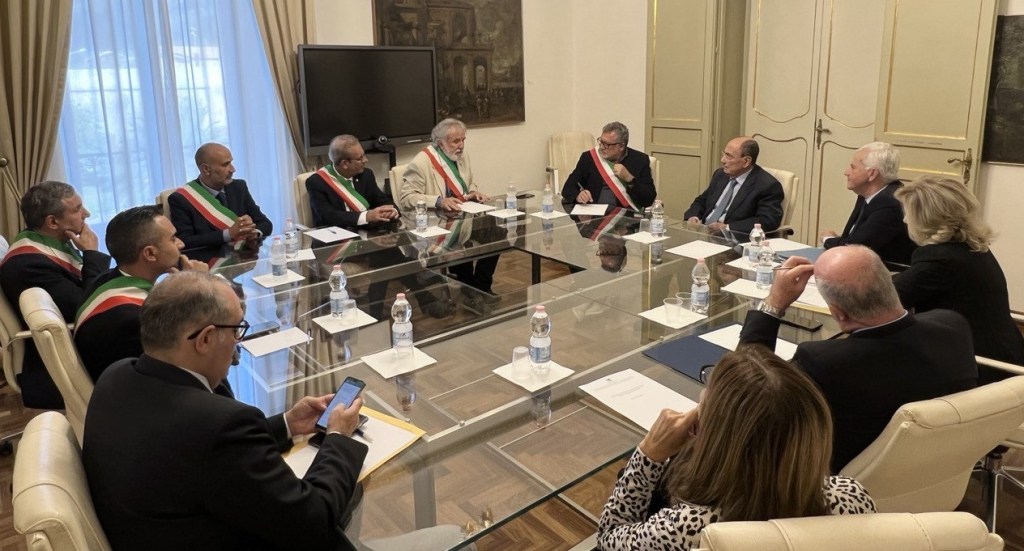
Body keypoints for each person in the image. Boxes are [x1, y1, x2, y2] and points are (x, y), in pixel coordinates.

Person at [83, 271, 367, 550]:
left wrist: (287, 423)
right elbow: (312, 522)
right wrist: (338, 436)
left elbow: (204, 455)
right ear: (205, 339)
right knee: (349, 488)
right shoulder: (219, 424)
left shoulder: (116, 376)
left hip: (154, 527)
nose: (237, 344)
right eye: (235, 330)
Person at [598, 346, 876, 550]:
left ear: (717, 439)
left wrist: (648, 453)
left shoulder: (689, 527)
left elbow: (609, 537)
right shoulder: (852, 498)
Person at [739, 245, 977, 472]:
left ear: (839, 314)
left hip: (843, 486)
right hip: (940, 470)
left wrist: (773, 304)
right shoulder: (953, 326)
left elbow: (745, 394)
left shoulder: (823, 363)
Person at [894, 176, 1024, 382]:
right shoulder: (973, 248)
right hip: (1007, 356)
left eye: (907, 213)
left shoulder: (939, 258)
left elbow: (885, 299)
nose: (905, 220)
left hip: (978, 367)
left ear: (926, 218)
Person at [308, 135, 450, 318]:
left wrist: (392, 210)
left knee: (386, 255)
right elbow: (328, 216)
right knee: (390, 256)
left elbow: (382, 200)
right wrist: (366, 216)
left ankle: (376, 314)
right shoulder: (317, 182)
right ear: (345, 163)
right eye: (360, 158)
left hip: (368, 239)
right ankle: (422, 297)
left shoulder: (365, 175)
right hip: (335, 243)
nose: (366, 160)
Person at [0, 181, 111, 408]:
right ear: (52, 222)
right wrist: (91, 254)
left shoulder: (48, 242)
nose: (86, 214)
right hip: (62, 360)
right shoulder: (29, 264)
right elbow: (88, 307)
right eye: (77, 209)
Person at [74, 205, 208, 381]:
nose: (181, 243)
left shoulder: (104, 280)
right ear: (150, 253)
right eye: (173, 239)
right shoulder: (136, 320)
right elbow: (198, 359)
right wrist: (201, 286)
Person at [398, 119, 499, 304]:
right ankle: (470, 289)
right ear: (440, 142)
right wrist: (438, 201)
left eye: (463, 140)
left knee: (497, 234)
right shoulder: (421, 162)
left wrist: (473, 192)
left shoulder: (461, 156)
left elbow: (468, 183)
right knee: (456, 243)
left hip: (461, 216)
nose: (461, 146)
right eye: (456, 141)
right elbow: (406, 198)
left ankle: (481, 287)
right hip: (435, 223)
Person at [819, 142, 917, 266]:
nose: (846, 172)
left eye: (853, 167)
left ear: (872, 174)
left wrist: (828, 239)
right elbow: (853, 240)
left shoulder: (890, 204)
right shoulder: (867, 194)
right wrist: (839, 241)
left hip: (890, 271)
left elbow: (854, 249)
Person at [168, 142, 273, 250]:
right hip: (209, 258)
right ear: (206, 169)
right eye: (225, 165)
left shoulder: (239, 187)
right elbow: (185, 241)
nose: (232, 169)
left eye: (231, 163)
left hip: (244, 256)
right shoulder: (182, 199)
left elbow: (265, 223)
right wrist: (228, 234)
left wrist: (254, 233)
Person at [684, 137, 784, 235]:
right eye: (724, 154)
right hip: (702, 233)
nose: (722, 160)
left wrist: (727, 228)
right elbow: (702, 201)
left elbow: (767, 220)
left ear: (746, 161)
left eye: (729, 156)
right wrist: (693, 217)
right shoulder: (720, 174)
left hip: (732, 239)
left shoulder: (768, 186)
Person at [560, 122, 656, 211]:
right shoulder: (589, 158)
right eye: (601, 142)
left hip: (627, 217)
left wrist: (630, 179)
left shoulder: (640, 160)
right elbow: (568, 188)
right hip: (595, 217)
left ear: (621, 146)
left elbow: (649, 199)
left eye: (607, 144)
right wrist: (578, 195)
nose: (602, 147)